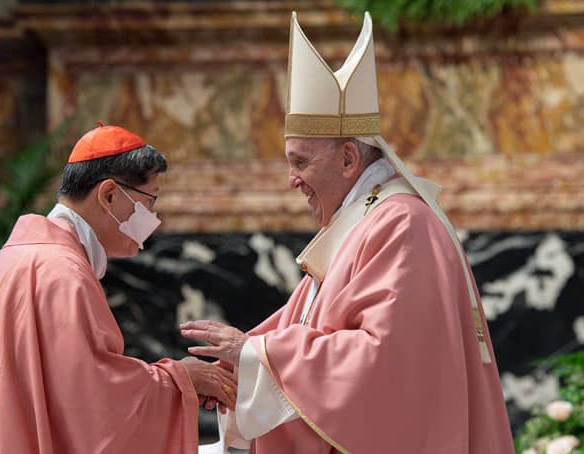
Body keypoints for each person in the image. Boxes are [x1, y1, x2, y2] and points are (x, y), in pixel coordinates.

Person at [182, 12, 514, 454]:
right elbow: (299, 324)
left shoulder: (401, 225)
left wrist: (253, 354)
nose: (291, 180)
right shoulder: (361, 222)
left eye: (300, 162)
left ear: (348, 159)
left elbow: (385, 363)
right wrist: (237, 371)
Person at [0, 124, 237, 454]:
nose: (154, 216)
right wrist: (180, 380)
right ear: (110, 195)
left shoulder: (4, 261)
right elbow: (91, 405)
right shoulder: (62, 273)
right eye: (150, 200)